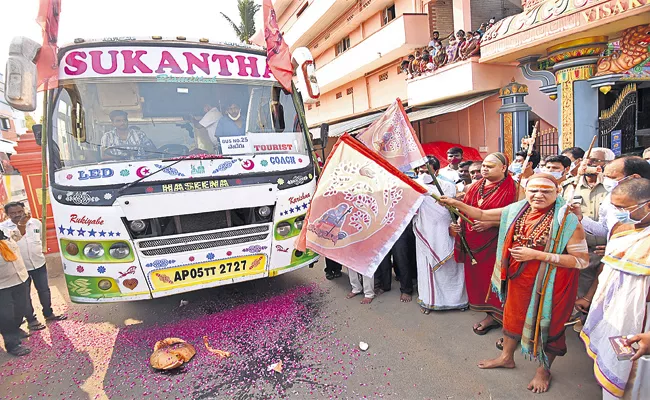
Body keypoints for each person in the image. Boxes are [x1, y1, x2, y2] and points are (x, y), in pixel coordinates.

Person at [441, 173, 589, 394]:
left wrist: (537, 255)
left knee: (549, 326)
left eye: (546, 191)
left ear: (557, 193)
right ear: (526, 191)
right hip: (518, 278)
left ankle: (543, 370)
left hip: (552, 284)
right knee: (511, 318)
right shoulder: (517, 210)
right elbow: (481, 213)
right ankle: (506, 357)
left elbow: (581, 261)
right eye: (533, 190)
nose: (538, 195)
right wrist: (455, 203)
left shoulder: (567, 221)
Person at [580, 178, 650, 399]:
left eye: (623, 208)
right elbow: (607, 274)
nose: (618, 213)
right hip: (617, 320)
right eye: (615, 207)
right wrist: (590, 298)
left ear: (647, 205)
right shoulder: (623, 231)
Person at [451, 153, 517, 334]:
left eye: (490, 166)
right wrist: (457, 225)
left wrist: (492, 223)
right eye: (484, 166)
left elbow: (520, 218)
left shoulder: (516, 188)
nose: (484, 169)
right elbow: (465, 211)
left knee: (498, 279)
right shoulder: (474, 187)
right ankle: (490, 313)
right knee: (479, 281)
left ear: (503, 168)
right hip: (473, 243)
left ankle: (502, 317)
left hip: (497, 243)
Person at [561, 149, 609, 329]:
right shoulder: (569, 186)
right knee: (582, 291)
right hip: (579, 249)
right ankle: (583, 322)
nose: (592, 165)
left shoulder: (612, 188)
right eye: (589, 161)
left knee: (604, 294)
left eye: (597, 161)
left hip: (606, 249)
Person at [414, 156, 468, 314]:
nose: (423, 173)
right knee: (428, 269)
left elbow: (453, 209)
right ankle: (430, 301)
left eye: (428, 171)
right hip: (425, 230)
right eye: (421, 170)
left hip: (446, 230)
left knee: (451, 266)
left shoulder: (447, 186)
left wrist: (454, 225)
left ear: (436, 171)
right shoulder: (415, 187)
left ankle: (458, 301)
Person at [0, 202, 66, 330]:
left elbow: (41, 238)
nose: (17, 215)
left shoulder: (36, 223)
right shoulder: (3, 228)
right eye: (13, 213)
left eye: (19, 212)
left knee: (44, 290)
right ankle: (31, 320)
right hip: (20, 269)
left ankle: (48, 313)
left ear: (24, 211)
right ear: (7, 215)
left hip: (38, 263)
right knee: (24, 296)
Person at [571, 156, 650, 239]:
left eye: (612, 178)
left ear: (634, 178)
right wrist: (580, 218)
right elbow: (606, 229)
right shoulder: (609, 199)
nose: (607, 181)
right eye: (605, 176)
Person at [0, 227, 32, 356]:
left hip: (20, 279)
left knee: (21, 308)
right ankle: (12, 344)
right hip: (2, 286)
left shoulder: (5, 233)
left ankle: (16, 329)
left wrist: (22, 224)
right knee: (6, 316)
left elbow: (18, 234)